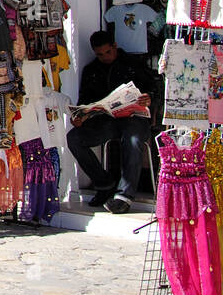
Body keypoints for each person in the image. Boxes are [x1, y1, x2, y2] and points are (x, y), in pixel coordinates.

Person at [67, 30, 156, 214]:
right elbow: (84, 101)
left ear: (115, 46)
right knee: (74, 137)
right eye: (100, 54)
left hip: (135, 119)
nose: (105, 57)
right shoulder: (91, 70)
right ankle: (104, 183)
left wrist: (149, 98)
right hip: (107, 122)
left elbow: (153, 88)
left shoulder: (133, 64)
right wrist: (80, 117)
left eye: (108, 52)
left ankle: (124, 197)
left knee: (132, 139)